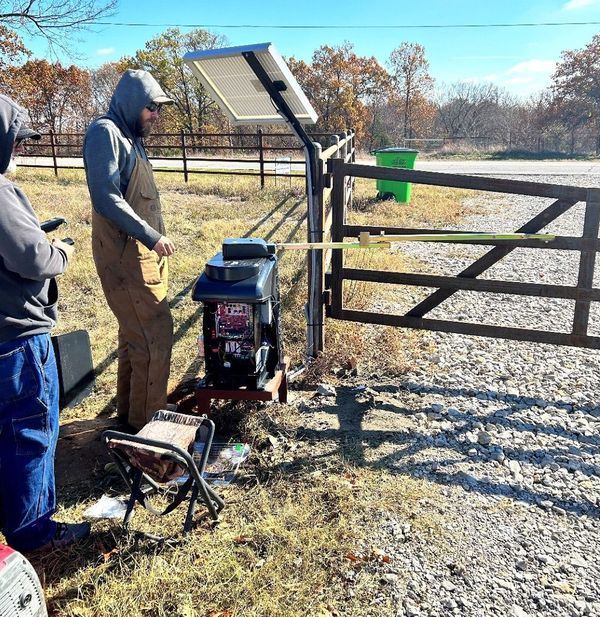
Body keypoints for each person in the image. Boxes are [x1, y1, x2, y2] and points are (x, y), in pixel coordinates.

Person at [0, 94, 90, 552]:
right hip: (15, 339)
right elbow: (33, 258)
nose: (19, 151)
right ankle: (34, 533)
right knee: (29, 430)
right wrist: (62, 252)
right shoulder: (0, 191)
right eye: (16, 141)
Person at [83, 69, 175, 431]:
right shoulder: (105, 133)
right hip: (126, 257)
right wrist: (151, 236)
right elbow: (105, 196)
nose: (156, 115)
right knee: (154, 338)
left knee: (134, 337)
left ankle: (128, 420)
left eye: (158, 108)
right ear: (132, 103)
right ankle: (149, 435)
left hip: (144, 259)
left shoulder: (131, 138)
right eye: (151, 107)